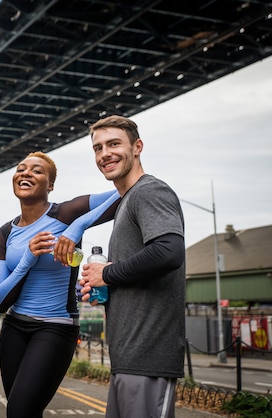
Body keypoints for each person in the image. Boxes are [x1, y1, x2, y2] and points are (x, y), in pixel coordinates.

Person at [0, 151, 119, 417]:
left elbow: (127, 190)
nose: (26, 173)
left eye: (37, 171)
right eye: (21, 168)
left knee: (20, 412)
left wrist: (78, 226)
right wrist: (28, 257)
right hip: (14, 328)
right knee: (19, 412)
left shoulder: (68, 212)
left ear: (50, 185)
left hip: (55, 328)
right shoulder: (5, 233)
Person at [77, 115, 186, 418]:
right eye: (98, 148)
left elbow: (168, 252)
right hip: (128, 358)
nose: (105, 154)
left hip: (148, 356)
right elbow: (138, 271)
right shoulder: (126, 201)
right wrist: (101, 285)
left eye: (114, 144)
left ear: (137, 147)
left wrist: (107, 273)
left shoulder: (150, 191)